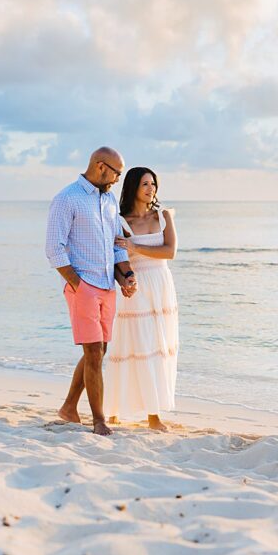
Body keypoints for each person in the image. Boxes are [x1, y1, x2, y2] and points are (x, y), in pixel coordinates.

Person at [45, 147, 137, 436]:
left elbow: (116, 244)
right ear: (100, 166)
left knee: (99, 351)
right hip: (84, 286)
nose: (117, 180)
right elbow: (53, 249)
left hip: (108, 286)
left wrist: (127, 276)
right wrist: (77, 283)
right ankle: (99, 420)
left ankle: (69, 408)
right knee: (94, 351)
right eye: (116, 173)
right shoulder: (66, 198)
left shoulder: (109, 200)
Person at [104, 167, 180, 431]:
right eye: (145, 184)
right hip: (136, 288)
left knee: (159, 348)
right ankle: (115, 410)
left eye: (154, 184)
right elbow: (117, 258)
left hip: (161, 285)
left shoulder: (164, 216)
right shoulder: (121, 221)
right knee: (133, 347)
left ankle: (153, 415)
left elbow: (170, 252)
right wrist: (124, 280)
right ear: (133, 187)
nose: (151, 189)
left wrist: (135, 247)